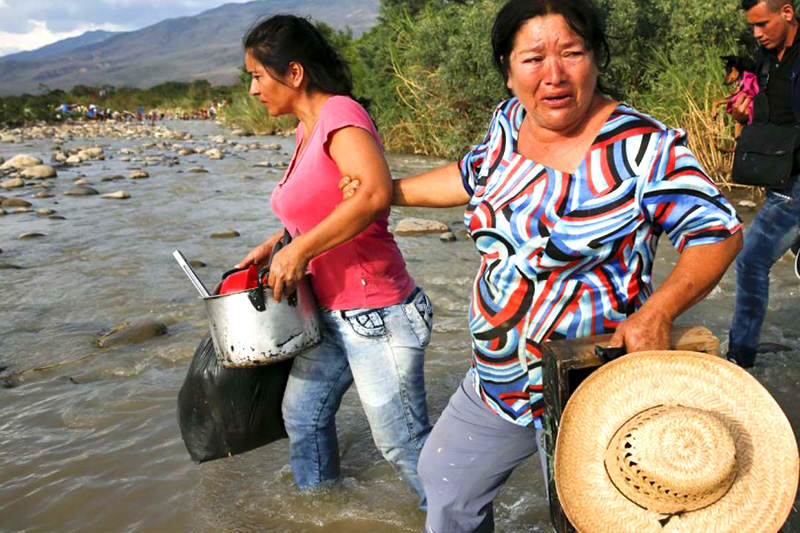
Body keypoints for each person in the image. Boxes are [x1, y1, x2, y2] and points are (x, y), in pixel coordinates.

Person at [341, 0, 742, 530]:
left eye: (571, 53)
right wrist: (384, 193)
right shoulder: (509, 123)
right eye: (533, 59)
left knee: (591, 517)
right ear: (508, 73)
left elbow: (719, 233)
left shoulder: (644, 148)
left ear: (596, 59)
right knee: (446, 486)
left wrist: (660, 311)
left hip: (592, 382)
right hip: (500, 378)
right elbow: (471, 175)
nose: (553, 75)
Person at [235, 15, 433, 505]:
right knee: (303, 417)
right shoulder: (308, 130)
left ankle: (458, 519)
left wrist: (301, 250)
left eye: (258, 75)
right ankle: (324, 512)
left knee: (404, 445)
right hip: (329, 312)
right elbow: (324, 203)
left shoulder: (342, 114)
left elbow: (372, 193)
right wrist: (280, 240)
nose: (254, 89)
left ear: (294, 73)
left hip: (376, 314)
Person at [727, 0, 800, 368]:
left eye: (762, 23)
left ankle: (739, 359)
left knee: (751, 261)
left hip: (796, 184)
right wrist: (745, 111)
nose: (757, 33)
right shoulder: (767, 58)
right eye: (752, 26)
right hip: (783, 177)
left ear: (787, 12)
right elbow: (771, 110)